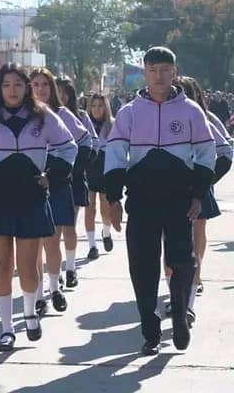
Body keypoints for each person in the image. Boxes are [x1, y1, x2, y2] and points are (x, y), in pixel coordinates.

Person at [0, 63, 76, 351]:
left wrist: (51, 175)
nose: (12, 90)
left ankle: (30, 313)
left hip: (31, 198)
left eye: (19, 84)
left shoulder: (42, 116)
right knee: (2, 265)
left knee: (28, 266)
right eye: (6, 85)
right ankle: (7, 329)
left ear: (27, 87)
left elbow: (69, 147)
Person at [105, 47, 215, 356]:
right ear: (145, 72)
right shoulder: (129, 112)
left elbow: (206, 153)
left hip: (179, 201)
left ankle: (180, 314)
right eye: (153, 70)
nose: (159, 76)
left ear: (174, 72)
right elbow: (115, 155)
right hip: (142, 201)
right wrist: (113, 198)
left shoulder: (191, 111)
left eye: (165, 70)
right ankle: (149, 329)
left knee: (182, 261)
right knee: (143, 265)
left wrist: (199, 193)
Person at [162, 76, 233, 324]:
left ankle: (192, 289)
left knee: (195, 237)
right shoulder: (160, 115)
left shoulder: (206, 118)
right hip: (170, 191)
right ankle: (175, 295)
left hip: (198, 189)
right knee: (169, 242)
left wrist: (205, 182)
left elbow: (226, 152)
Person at [30, 68, 93, 316]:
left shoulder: (63, 114)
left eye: (45, 84)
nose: (41, 89)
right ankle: (37, 296)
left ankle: (55, 287)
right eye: (35, 84)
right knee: (32, 243)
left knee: (52, 240)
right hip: (31, 182)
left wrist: (69, 169)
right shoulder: (23, 114)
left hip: (57, 183)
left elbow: (85, 142)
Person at [57, 77, 100, 259]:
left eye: (64, 93)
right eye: (57, 92)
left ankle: (70, 265)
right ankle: (54, 266)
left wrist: (82, 164)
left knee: (69, 224)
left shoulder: (81, 116)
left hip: (74, 177)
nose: (61, 97)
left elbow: (94, 142)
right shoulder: (42, 115)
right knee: (53, 229)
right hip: (51, 176)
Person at [84, 94, 115, 255]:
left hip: (105, 167)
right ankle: (92, 245)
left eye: (100, 106)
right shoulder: (83, 123)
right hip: (88, 167)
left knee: (105, 206)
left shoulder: (112, 125)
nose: (96, 109)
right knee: (89, 206)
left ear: (106, 107)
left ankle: (106, 232)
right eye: (93, 105)